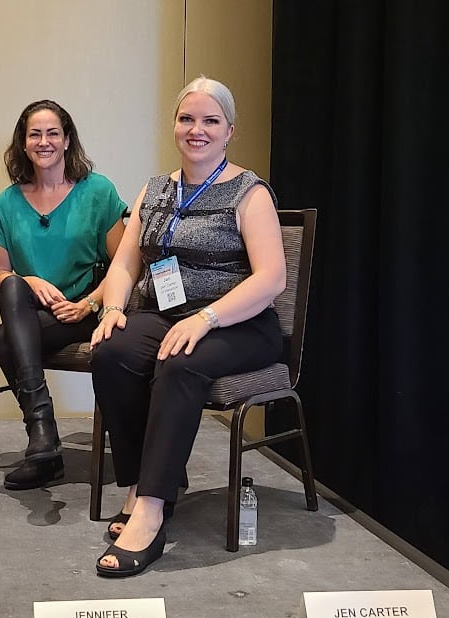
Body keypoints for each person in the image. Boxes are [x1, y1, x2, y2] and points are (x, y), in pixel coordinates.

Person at [89, 76, 287, 577]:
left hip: (237, 322)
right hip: (165, 314)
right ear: (175, 125)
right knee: (111, 351)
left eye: (209, 121)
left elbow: (272, 279)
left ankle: (151, 509)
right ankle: (143, 481)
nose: (196, 129)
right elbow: (125, 265)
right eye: (186, 118)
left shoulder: (249, 191)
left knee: (178, 361)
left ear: (229, 131)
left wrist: (207, 317)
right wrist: (113, 308)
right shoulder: (156, 189)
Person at [0, 99, 127, 490]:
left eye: (53, 133)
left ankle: (43, 441)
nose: (44, 141)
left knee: (4, 341)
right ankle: (43, 431)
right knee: (14, 287)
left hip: (89, 311)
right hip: (39, 315)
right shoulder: (8, 201)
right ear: (24, 142)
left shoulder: (97, 191)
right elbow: (0, 274)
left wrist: (91, 302)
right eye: (35, 134)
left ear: (67, 140)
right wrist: (29, 281)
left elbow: (126, 266)